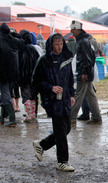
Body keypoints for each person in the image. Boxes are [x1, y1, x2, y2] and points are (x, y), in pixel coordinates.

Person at [31, 33, 75, 172]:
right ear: (51, 45)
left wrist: (72, 94)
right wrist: (51, 88)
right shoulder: (44, 60)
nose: (59, 46)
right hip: (52, 100)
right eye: (56, 44)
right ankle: (62, 161)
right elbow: (36, 81)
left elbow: (70, 78)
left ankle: (42, 145)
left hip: (66, 98)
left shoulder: (66, 58)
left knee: (66, 128)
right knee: (61, 130)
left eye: (61, 43)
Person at [69, 20, 102, 124]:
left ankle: (71, 118)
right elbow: (89, 59)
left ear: (78, 29)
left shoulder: (82, 41)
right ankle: (96, 117)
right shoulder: (84, 40)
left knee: (78, 95)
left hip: (84, 73)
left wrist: (84, 73)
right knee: (90, 95)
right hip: (87, 72)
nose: (71, 31)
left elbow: (86, 59)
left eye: (73, 29)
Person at [0, 23, 23, 127]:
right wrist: (14, 34)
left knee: (5, 96)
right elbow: (24, 41)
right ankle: (2, 118)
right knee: (7, 94)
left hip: (3, 73)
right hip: (14, 73)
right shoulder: (13, 40)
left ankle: (12, 119)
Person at [18, 29, 40, 123]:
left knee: (26, 96)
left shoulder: (21, 49)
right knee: (34, 95)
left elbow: (19, 63)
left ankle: (29, 115)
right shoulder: (34, 49)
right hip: (34, 77)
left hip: (24, 77)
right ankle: (33, 114)